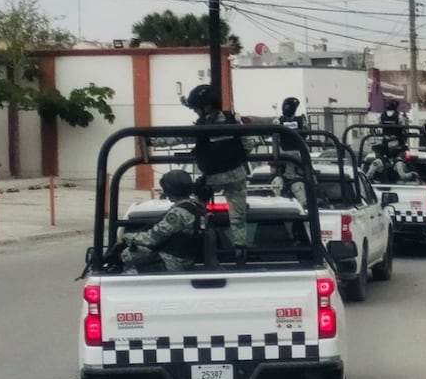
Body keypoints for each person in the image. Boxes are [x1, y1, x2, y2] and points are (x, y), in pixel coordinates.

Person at [182, 84, 255, 251]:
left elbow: (180, 137)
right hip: (237, 175)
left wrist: (152, 141)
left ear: (206, 106)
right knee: (238, 220)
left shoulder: (202, 126)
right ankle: (240, 252)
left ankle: (196, 240)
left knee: (196, 210)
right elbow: (248, 145)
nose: (196, 113)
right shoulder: (232, 120)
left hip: (212, 178)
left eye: (197, 109)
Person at [119, 170, 204, 274]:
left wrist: (127, 237)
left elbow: (152, 239)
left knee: (127, 259)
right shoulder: (195, 208)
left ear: (170, 191)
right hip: (185, 261)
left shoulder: (177, 213)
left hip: (172, 263)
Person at [272, 96, 308, 204]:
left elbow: (305, 134)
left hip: (295, 159)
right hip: (286, 159)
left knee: (298, 188)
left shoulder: (279, 121)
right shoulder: (279, 122)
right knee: (276, 186)